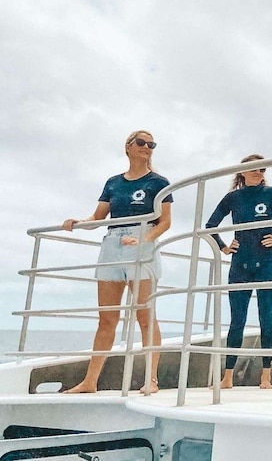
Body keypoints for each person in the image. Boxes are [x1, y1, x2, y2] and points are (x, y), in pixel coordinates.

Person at [62, 130, 172, 394]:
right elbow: (99, 217)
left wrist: (145, 239)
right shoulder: (113, 182)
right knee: (107, 319)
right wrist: (78, 223)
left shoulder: (159, 182)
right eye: (142, 142)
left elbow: (165, 222)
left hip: (140, 242)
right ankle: (90, 381)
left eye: (151, 144)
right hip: (112, 244)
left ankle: (151, 379)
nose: (147, 147)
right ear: (128, 147)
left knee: (145, 316)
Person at [205, 154, 272, 389]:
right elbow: (210, 226)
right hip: (240, 264)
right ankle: (227, 377)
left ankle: (266, 376)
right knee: (237, 321)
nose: (259, 172)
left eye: (262, 168)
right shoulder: (233, 198)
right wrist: (223, 247)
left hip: (268, 263)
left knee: (266, 319)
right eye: (254, 168)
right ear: (242, 171)